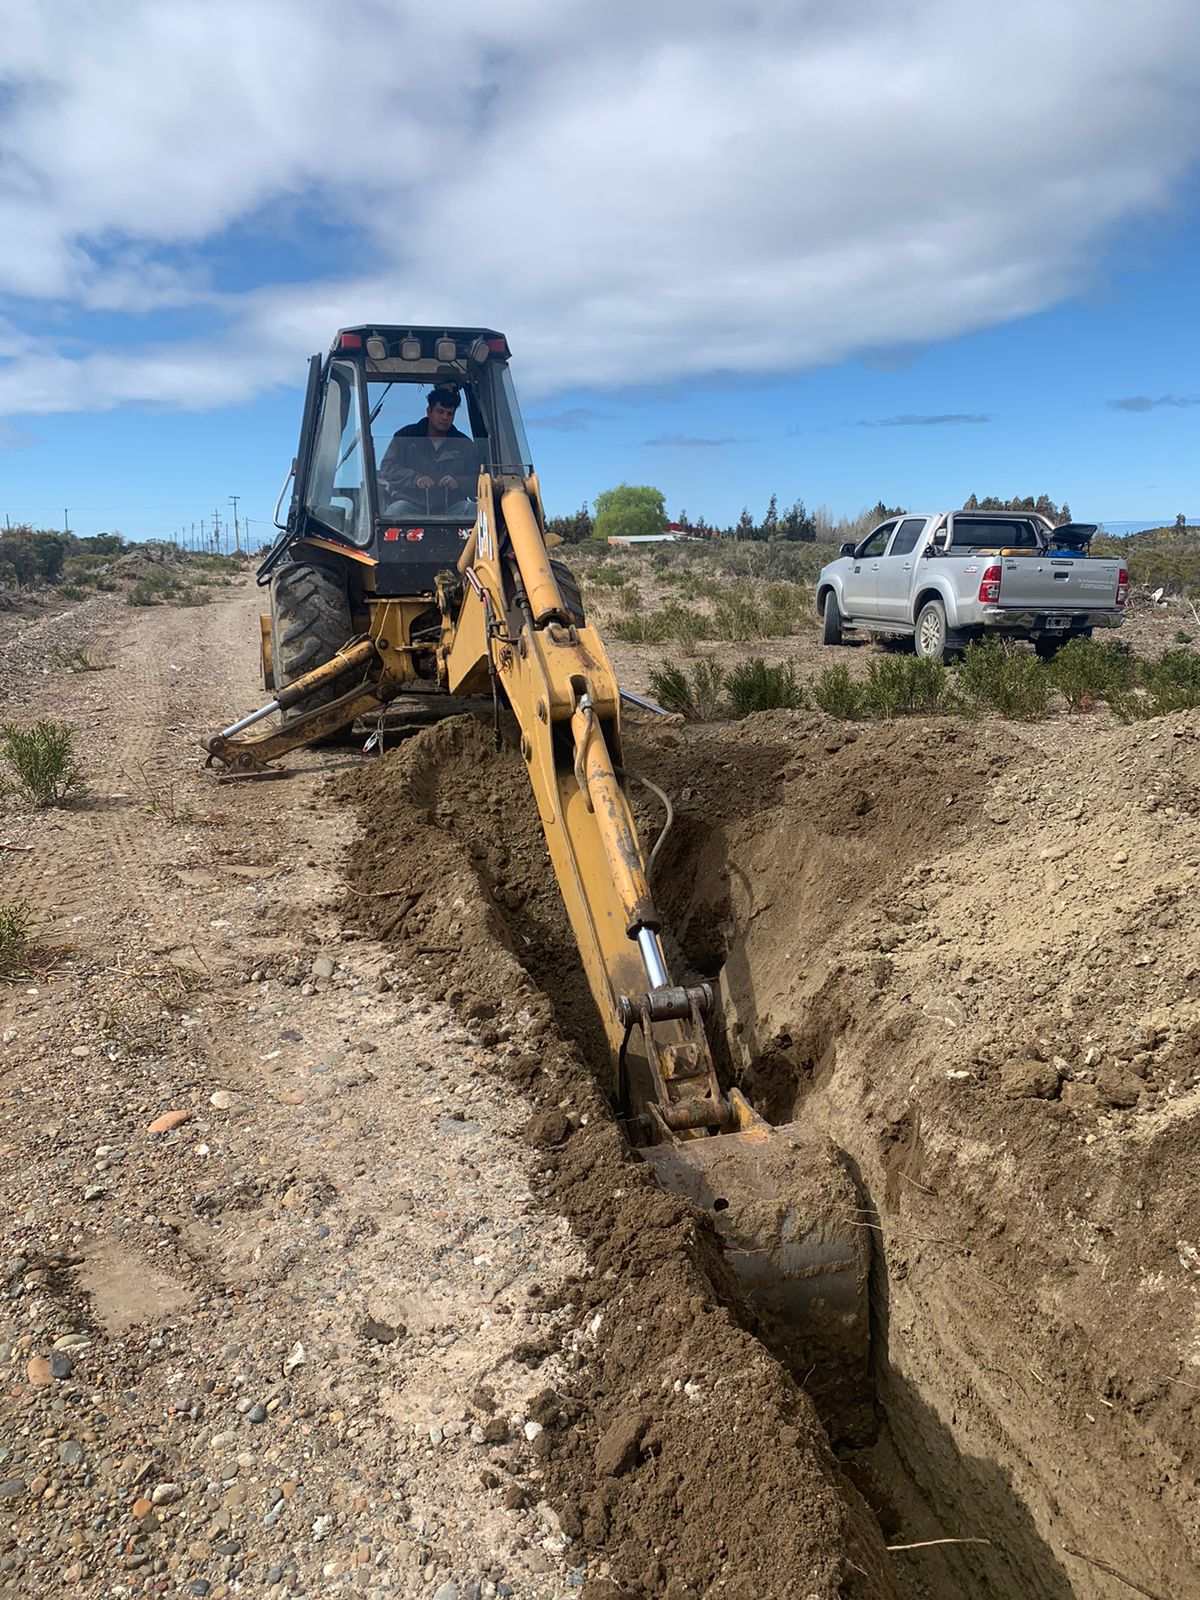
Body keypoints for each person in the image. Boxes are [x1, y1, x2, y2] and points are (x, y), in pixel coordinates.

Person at [377, 387, 481, 514]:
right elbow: (387, 468)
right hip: (410, 504)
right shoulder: (406, 437)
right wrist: (416, 479)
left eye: (450, 414)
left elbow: (480, 479)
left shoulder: (464, 444)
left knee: (473, 511)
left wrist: (458, 482)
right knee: (395, 512)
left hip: (451, 507)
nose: (445, 417)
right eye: (440, 412)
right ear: (429, 411)